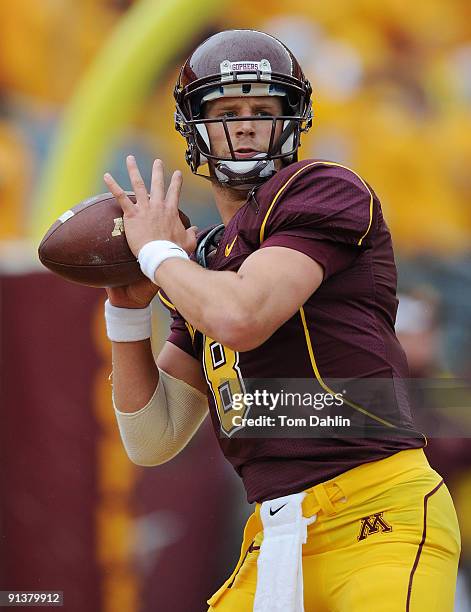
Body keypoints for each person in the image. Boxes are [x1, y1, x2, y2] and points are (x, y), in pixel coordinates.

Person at [102, 30, 460, 611]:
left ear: (292, 120)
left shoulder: (322, 188)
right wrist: (126, 309)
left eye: (262, 110)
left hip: (376, 519)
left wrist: (159, 256)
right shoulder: (205, 264)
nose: (245, 125)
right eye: (227, 111)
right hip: (274, 537)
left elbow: (242, 316)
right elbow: (152, 437)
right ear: (194, 126)